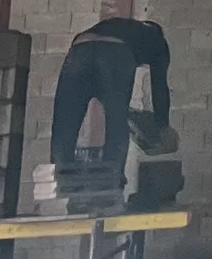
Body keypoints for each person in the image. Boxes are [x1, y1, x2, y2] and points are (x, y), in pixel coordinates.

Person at [50, 15, 171, 180]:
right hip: (115, 52)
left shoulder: (119, 25)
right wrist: (163, 125)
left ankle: (61, 177)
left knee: (65, 121)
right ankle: (112, 177)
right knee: (116, 120)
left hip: (80, 48)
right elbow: (159, 86)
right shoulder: (158, 41)